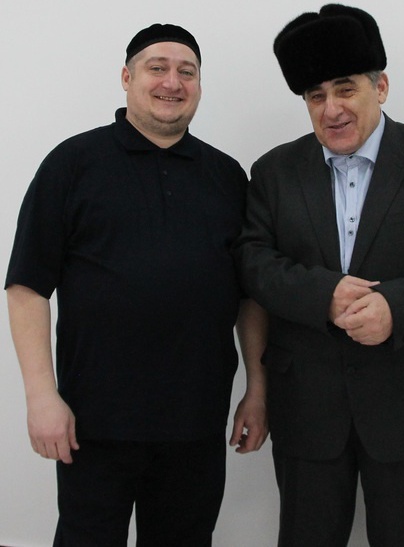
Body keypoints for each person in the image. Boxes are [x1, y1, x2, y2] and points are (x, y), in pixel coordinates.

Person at [233, 4, 404, 546]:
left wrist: (396, 305)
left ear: (382, 86)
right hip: (307, 406)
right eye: (316, 96)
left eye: (345, 89)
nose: (331, 109)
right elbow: (253, 261)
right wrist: (322, 295)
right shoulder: (274, 171)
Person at [6, 23, 268, 546]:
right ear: (127, 78)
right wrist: (41, 397)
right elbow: (27, 288)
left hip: (196, 420)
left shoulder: (226, 176)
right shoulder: (72, 164)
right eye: (157, 68)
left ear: (198, 85)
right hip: (92, 420)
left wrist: (258, 390)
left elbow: (249, 296)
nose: (172, 82)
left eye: (187, 72)